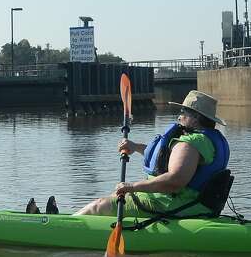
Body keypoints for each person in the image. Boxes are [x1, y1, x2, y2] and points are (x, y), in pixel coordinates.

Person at [73, 90, 229, 218]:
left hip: (174, 205)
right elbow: (166, 158)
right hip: (194, 204)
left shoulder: (192, 143)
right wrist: (135, 147)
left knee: (99, 206)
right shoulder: (208, 140)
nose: (180, 115)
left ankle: (64, 226)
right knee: (115, 197)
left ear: (195, 118)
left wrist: (132, 187)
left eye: (184, 111)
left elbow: (174, 181)